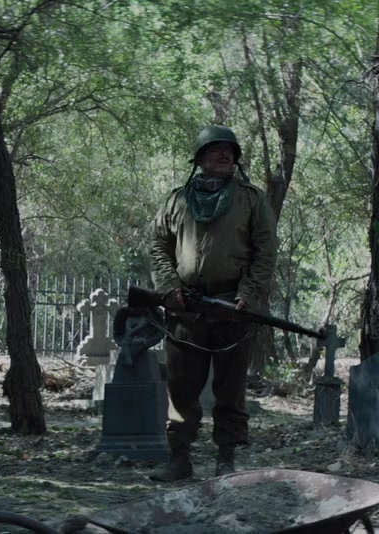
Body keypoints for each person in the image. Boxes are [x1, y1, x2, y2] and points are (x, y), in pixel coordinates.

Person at [148, 125, 278, 482]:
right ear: (200, 159)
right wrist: (170, 285)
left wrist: (248, 293)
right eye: (214, 150)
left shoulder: (252, 200)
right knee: (181, 388)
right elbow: (159, 245)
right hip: (186, 308)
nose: (223, 155)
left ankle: (226, 462)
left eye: (229, 151)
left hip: (233, 308)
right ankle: (179, 460)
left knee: (230, 389)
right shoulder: (177, 201)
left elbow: (265, 251)